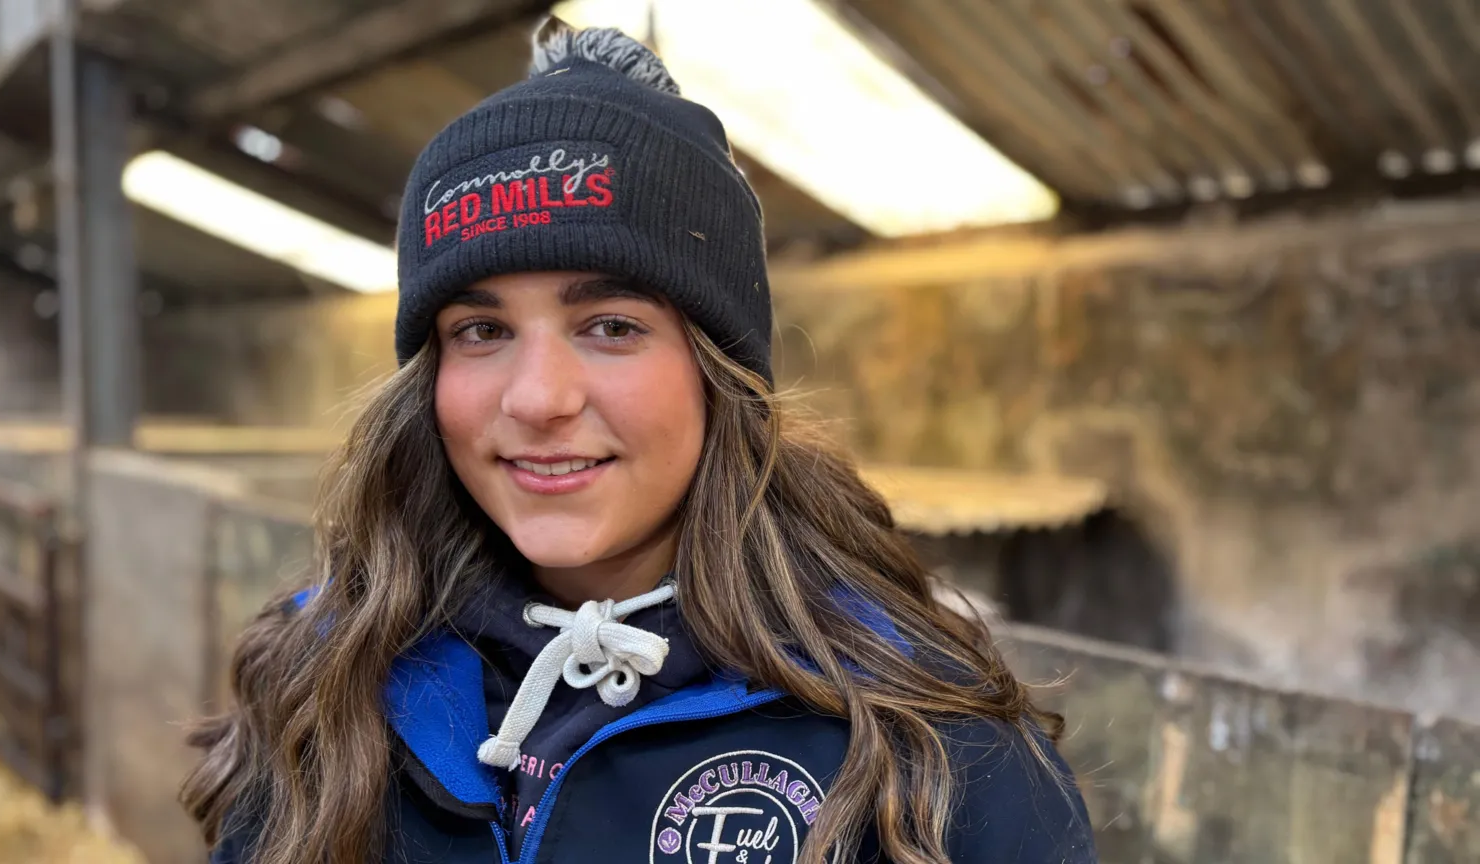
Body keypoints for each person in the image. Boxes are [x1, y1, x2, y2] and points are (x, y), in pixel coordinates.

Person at [181, 18, 1097, 864]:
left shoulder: (921, 735)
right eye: (480, 331)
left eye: (612, 326)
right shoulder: (328, 681)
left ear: (719, 371)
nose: (537, 398)